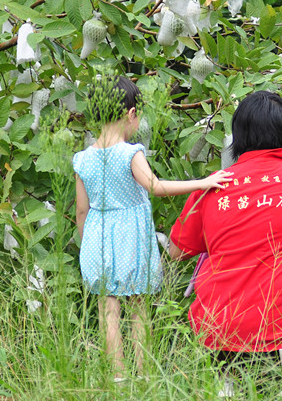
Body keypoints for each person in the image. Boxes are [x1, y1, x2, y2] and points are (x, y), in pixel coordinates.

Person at [168, 91, 282, 396]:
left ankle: (229, 382)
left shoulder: (211, 186)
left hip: (219, 333)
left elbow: (176, 253)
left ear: (237, 138)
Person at [73, 75, 232, 379]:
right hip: (129, 237)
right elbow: (155, 187)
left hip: (96, 237)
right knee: (138, 305)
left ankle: (118, 377)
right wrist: (203, 182)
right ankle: (145, 373)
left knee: (108, 308)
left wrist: (86, 245)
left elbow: (82, 209)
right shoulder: (130, 153)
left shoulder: (82, 159)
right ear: (131, 114)